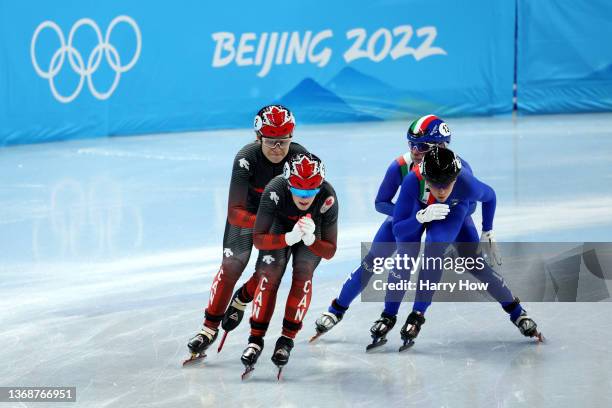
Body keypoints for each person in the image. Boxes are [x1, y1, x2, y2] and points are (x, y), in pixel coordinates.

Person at [312, 115, 473, 348]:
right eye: (411, 144)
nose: (416, 150)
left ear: (442, 145)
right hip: (409, 218)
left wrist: (452, 212)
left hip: (442, 218)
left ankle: (417, 314)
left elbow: (473, 203)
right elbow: (381, 202)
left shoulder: (459, 168)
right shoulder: (400, 166)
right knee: (373, 261)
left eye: (423, 146)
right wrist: (410, 213)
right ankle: (337, 309)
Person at [185, 105, 309, 362]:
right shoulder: (246, 157)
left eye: (284, 142)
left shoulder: (300, 158)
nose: (278, 149)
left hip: (279, 220)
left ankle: (241, 299)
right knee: (233, 264)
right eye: (271, 142)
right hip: (248, 217)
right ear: (258, 138)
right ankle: (208, 328)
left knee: (270, 272)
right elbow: (234, 212)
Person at [392, 146, 542, 351]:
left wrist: (487, 230)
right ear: (425, 179)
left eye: (447, 184)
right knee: (434, 248)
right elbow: (398, 229)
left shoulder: (465, 183)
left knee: (474, 264)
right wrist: (420, 217)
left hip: (456, 209)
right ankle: (418, 314)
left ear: (455, 179)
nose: (442, 191)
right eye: (436, 185)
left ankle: (517, 313)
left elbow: (490, 197)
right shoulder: (411, 181)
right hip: (421, 208)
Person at [240, 153, 338, 379]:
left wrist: (312, 240)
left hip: (312, 230)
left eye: (311, 191)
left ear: (320, 187)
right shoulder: (275, 189)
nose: (305, 197)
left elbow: (330, 250)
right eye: (299, 190)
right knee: (269, 275)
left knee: (304, 273)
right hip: (279, 227)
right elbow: (258, 238)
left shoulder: (327, 197)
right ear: (287, 184)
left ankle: (287, 339)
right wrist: (287, 238)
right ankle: (255, 340)